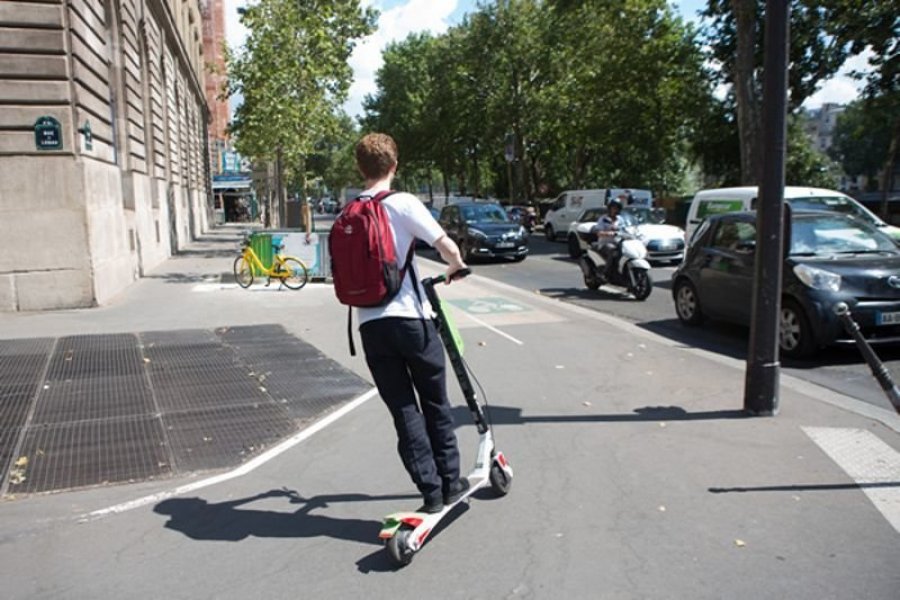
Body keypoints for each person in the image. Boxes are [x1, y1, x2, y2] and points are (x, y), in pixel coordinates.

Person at [353, 132, 470, 514]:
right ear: (394, 166)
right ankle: (452, 483)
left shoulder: (350, 210)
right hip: (410, 321)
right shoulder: (401, 203)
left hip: (370, 325)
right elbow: (445, 245)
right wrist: (455, 266)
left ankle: (430, 490)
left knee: (403, 411)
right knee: (435, 402)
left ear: (361, 168)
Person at [593, 197, 624, 276]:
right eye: (613, 208)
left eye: (617, 208)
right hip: (605, 243)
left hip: (618, 242)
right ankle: (605, 272)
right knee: (612, 250)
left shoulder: (620, 219)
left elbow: (626, 229)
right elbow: (598, 232)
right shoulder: (603, 219)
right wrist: (608, 233)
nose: (615, 210)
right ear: (609, 208)